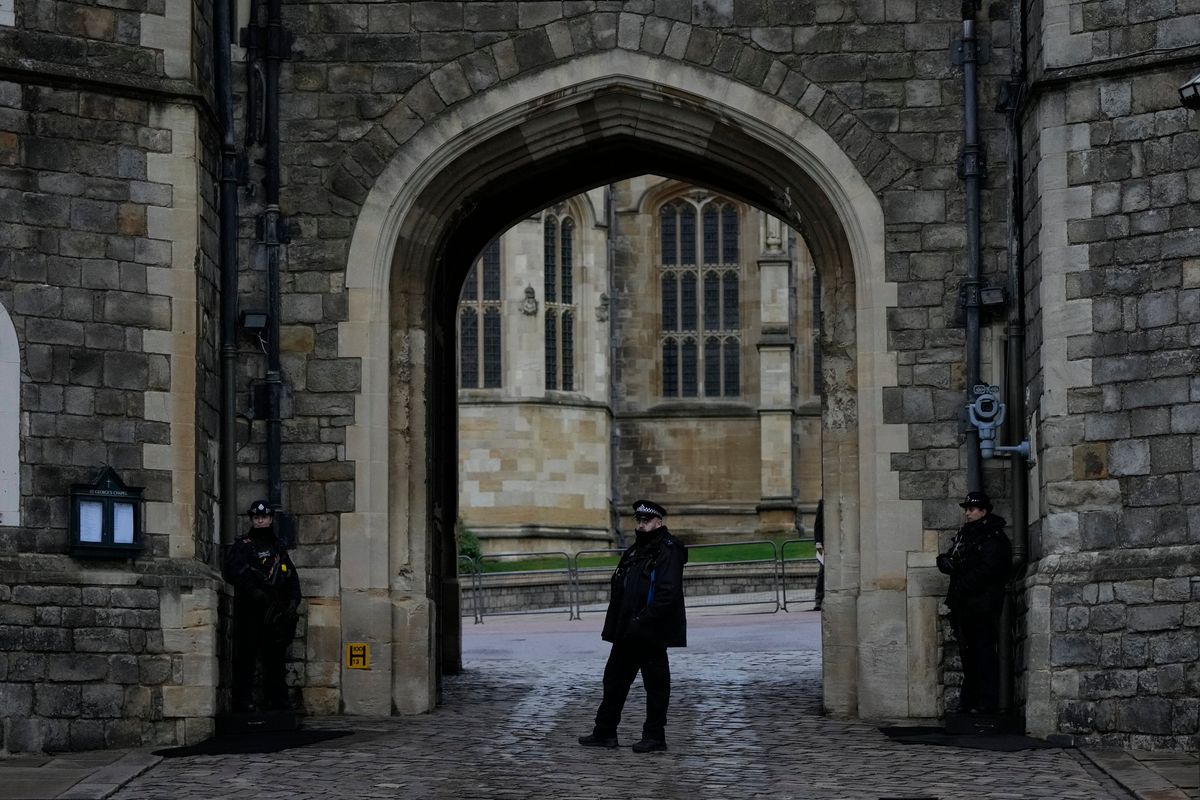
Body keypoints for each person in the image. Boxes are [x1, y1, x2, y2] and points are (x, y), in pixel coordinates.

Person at [579, 499, 688, 753]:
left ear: (659, 522)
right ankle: (604, 732)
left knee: (656, 685)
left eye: (647, 521)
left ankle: (654, 736)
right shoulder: (634, 551)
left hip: (650, 632)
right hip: (628, 631)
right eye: (638, 520)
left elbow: (667, 594)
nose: (641, 525)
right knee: (614, 680)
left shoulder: (668, 550)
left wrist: (642, 620)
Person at [936, 490, 1011, 715]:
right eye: (966, 509)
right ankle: (969, 700)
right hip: (964, 604)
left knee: (984, 653)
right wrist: (944, 562)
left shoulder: (992, 536)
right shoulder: (965, 534)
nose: (968, 513)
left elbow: (990, 570)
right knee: (968, 654)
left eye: (972, 509)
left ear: (983, 511)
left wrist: (963, 582)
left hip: (982, 603)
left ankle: (986, 701)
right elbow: (952, 556)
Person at [224, 500, 301, 712]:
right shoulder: (244, 545)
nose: (260, 520)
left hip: (275, 612)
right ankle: (243, 702)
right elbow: (233, 571)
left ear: (270, 519)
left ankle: (278, 701)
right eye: (257, 517)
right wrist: (255, 592)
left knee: (275, 659)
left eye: (264, 517)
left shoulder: (277, 547)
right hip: (251, 612)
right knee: (246, 658)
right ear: (252, 519)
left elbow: (291, 576)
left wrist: (294, 600)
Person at [811, 499, 824, 612]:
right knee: (823, 572)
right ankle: (818, 600)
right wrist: (818, 542)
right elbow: (818, 524)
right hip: (825, 545)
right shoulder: (822, 502)